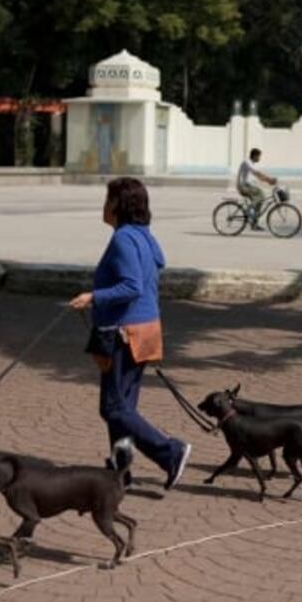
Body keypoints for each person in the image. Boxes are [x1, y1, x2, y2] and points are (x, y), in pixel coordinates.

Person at [70, 177, 191, 489]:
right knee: (123, 407)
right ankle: (120, 469)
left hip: (124, 333)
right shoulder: (144, 236)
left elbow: (131, 285)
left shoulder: (124, 238)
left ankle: (171, 452)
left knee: (112, 407)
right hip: (146, 328)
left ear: (118, 205)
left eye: (107, 199)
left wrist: (93, 296)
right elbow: (154, 269)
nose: (103, 205)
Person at [237, 148, 277, 230]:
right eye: (259, 156)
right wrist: (269, 179)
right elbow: (256, 173)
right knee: (260, 195)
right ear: (255, 156)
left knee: (260, 200)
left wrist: (268, 181)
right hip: (243, 186)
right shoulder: (247, 162)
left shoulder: (251, 163)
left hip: (248, 186)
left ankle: (254, 224)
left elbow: (258, 176)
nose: (259, 158)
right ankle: (249, 210)